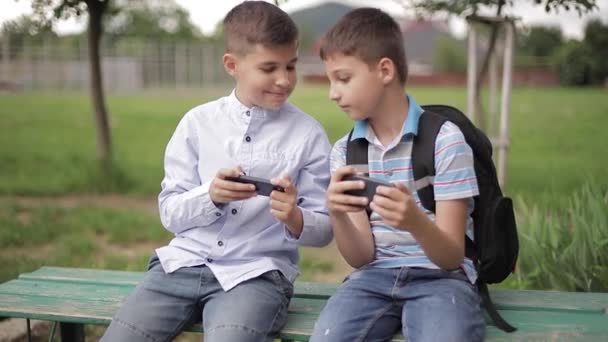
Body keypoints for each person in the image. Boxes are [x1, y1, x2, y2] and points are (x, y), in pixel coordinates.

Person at [102, 2, 333, 341]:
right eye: (269, 68)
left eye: (291, 66)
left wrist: (295, 217)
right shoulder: (197, 123)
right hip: (179, 267)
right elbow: (170, 213)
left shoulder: (308, 135)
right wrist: (209, 195)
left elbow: (325, 228)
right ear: (232, 65)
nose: (284, 80)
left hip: (256, 275)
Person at [310, 7, 485, 342]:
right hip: (373, 279)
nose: (333, 93)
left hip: (442, 280)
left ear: (385, 70)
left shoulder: (444, 141)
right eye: (331, 80)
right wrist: (338, 214)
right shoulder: (345, 153)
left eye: (343, 79)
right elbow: (361, 257)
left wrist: (415, 222)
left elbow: (451, 258)